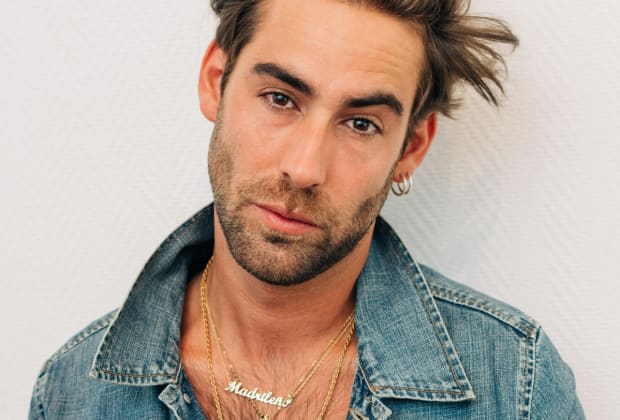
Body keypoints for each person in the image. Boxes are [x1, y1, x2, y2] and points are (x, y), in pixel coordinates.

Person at [29, 0, 584, 418]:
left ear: (410, 148)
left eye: (361, 123)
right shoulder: (72, 393)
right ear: (217, 82)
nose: (304, 168)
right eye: (280, 99)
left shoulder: (514, 384)